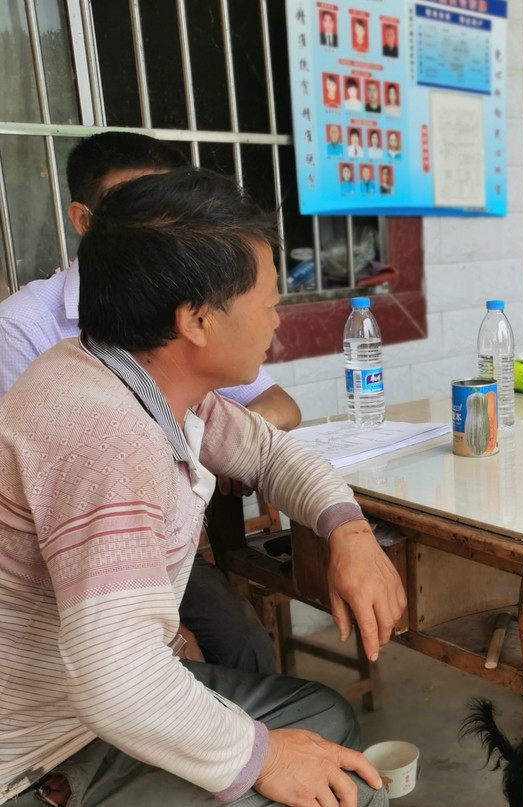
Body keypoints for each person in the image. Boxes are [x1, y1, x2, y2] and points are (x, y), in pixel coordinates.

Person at [0, 167, 406, 806]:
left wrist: (348, 530)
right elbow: (116, 681)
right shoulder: (106, 436)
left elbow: (271, 453)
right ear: (195, 320)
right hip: (42, 755)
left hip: (96, 705)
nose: (277, 323)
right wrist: (265, 757)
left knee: (321, 718)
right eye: (268, 303)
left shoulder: (131, 375)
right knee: (350, 789)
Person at [0, 131, 300, 674]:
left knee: (243, 646)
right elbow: (116, 669)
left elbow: (272, 419)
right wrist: (159, 638)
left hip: (156, 547)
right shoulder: (34, 340)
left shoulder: (164, 365)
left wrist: (344, 525)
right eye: (142, 209)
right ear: (86, 221)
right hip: (64, 570)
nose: (275, 321)